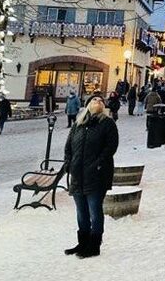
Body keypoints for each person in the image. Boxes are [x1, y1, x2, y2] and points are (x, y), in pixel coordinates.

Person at [63, 94, 119, 258]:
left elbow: (111, 147)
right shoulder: (78, 125)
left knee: (94, 210)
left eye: (101, 100)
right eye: (94, 100)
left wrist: (98, 164)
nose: (98, 102)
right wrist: (68, 163)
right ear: (88, 104)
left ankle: (94, 245)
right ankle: (83, 243)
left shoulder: (107, 123)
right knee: (81, 211)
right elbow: (68, 146)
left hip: (97, 175)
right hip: (77, 174)